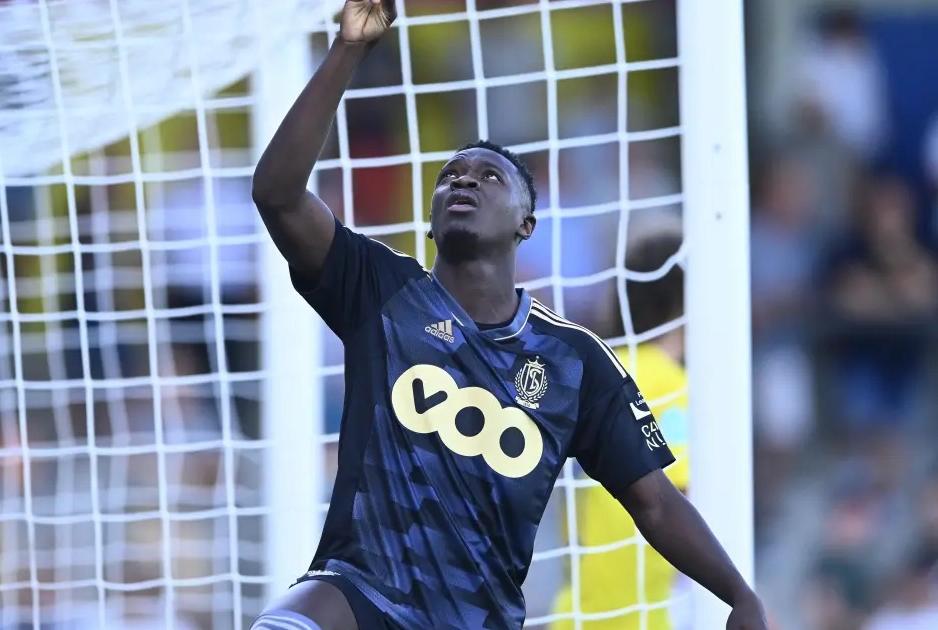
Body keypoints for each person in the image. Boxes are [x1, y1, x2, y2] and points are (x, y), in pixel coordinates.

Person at [248, 2, 767, 629]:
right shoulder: (382, 289)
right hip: (359, 592)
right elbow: (277, 194)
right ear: (431, 220)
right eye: (449, 176)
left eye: (488, 176)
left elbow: (654, 500)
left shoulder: (575, 361)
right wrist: (348, 49)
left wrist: (739, 595)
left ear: (527, 224)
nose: (463, 181)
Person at [549, 224, 691, 630]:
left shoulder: (599, 369)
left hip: (576, 609)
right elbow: (677, 497)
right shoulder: (671, 384)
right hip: (638, 613)